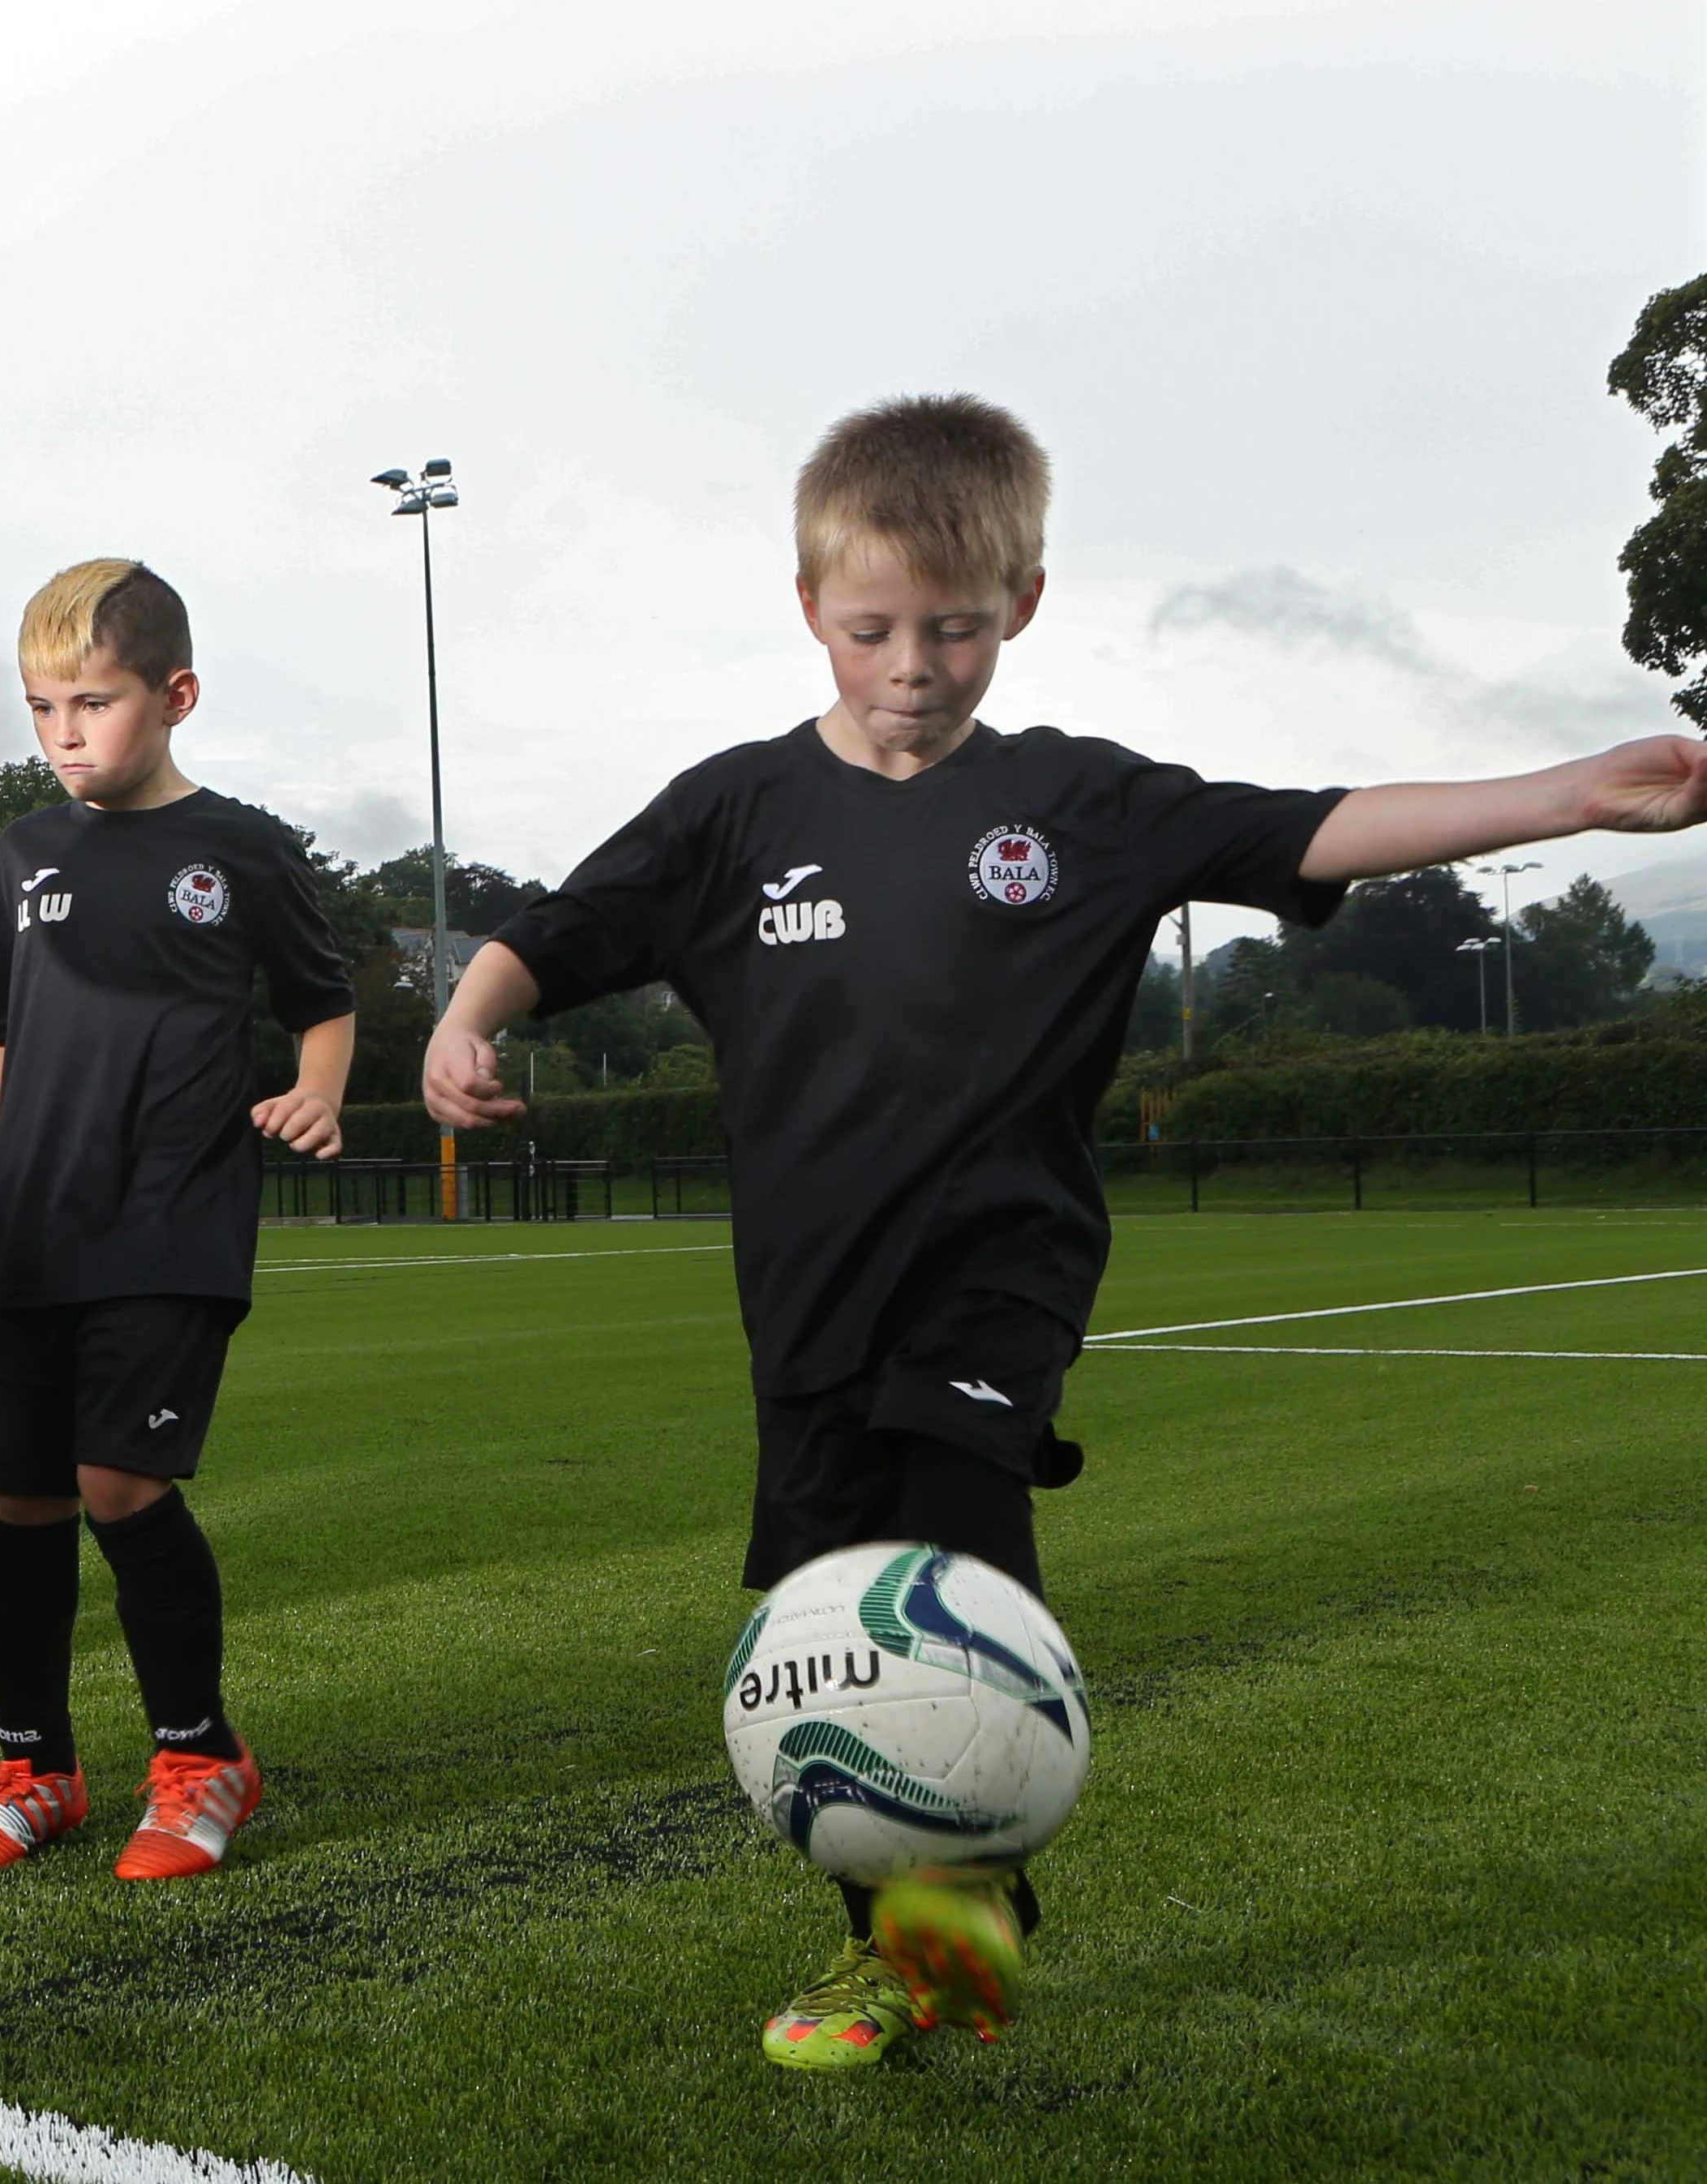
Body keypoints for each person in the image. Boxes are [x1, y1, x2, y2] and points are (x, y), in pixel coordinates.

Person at [423, 393, 1707, 2070]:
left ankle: (959, 1910)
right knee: (830, 1634)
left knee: (948, 1553)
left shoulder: (1082, 807)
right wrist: (468, 1019)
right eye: (875, 627)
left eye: (955, 628)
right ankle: (910, 1944)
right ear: (810, 607)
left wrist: (1572, 792)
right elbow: (555, 929)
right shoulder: (733, 814)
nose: (914, 664)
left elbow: (1302, 825)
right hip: (806, 1302)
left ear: (1020, 606)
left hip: (997, 1274)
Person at [0, 559, 354, 1880]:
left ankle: (202, 1756)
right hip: (35, 1221)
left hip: (174, 1209)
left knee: (119, 1480)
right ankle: (36, 1769)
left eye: (91, 702)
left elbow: (323, 1003)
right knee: (21, 1495)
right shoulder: (21, 858)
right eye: (42, 708)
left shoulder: (247, 850)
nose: (64, 735)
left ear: (176, 695)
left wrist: (315, 1093)